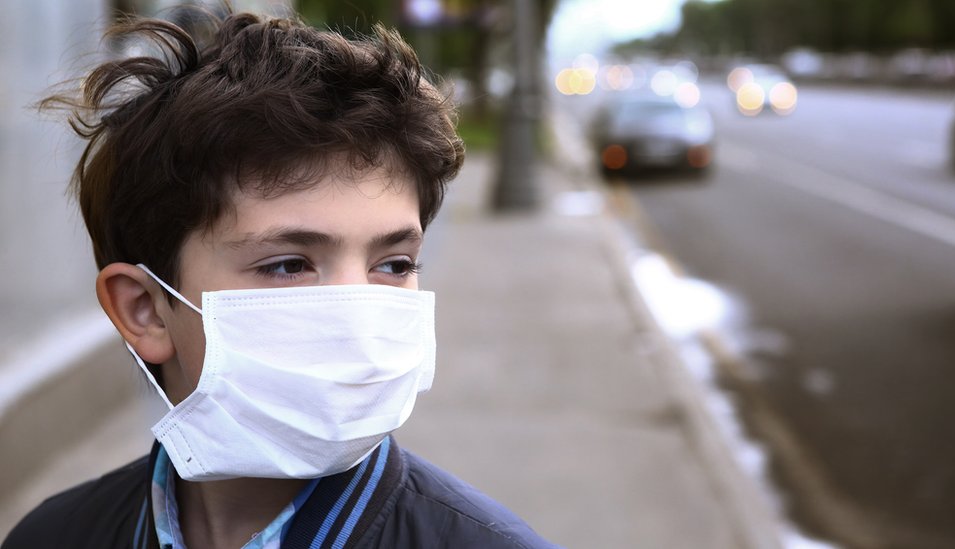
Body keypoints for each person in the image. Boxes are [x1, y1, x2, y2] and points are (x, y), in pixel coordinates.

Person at [4, 10, 557, 549]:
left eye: (393, 265)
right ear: (144, 310)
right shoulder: (53, 535)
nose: (356, 319)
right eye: (289, 264)